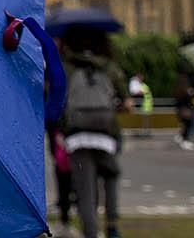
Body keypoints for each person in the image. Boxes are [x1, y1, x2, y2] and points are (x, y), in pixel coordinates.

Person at [59, 27, 127, 238]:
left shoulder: (67, 67)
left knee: (85, 190)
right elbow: (125, 100)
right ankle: (112, 225)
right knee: (111, 175)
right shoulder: (109, 67)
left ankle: (90, 232)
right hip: (105, 132)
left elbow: (58, 99)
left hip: (78, 134)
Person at [173, 75, 194, 151]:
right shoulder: (186, 91)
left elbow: (178, 102)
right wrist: (191, 94)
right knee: (189, 125)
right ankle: (185, 141)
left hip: (181, 110)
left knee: (185, 125)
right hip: (186, 110)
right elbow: (188, 101)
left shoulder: (178, 90)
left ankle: (181, 138)